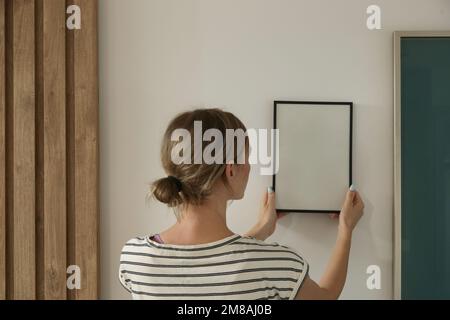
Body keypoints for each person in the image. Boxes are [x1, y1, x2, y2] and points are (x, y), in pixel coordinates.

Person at [119, 108, 364, 300]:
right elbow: (326, 296)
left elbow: (208, 266)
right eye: (247, 158)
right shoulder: (275, 264)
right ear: (231, 170)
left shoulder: (135, 258)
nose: (250, 167)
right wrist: (346, 229)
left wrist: (259, 231)